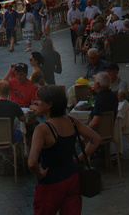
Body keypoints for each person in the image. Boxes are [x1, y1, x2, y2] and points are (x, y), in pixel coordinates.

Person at [28, 84, 103, 215]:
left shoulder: (43, 129)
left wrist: (40, 176)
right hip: (72, 178)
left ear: (49, 104)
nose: (36, 103)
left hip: (51, 183)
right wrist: (79, 160)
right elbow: (96, 139)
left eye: (39, 101)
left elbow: (32, 163)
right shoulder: (72, 121)